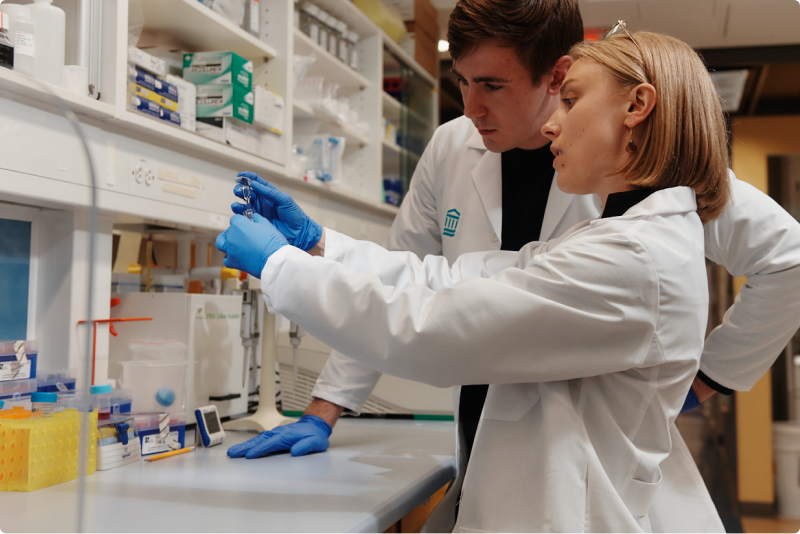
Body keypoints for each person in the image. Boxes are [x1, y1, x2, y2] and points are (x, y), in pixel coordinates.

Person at [218, 30, 732, 531]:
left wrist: (280, 267)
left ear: (637, 106)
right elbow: (447, 277)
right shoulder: (619, 238)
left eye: (571, 101)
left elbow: (434, 330)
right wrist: (319, 244)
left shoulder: (632, 258)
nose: (555, 123)